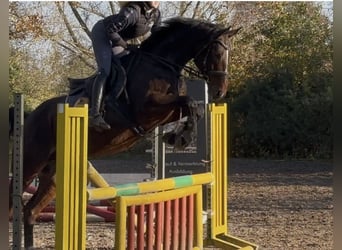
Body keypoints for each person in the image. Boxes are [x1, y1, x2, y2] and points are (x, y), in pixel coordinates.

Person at [89, 1, 161, 131]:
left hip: (119, 39)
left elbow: (157, 36)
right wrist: (126, 46)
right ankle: (94, 115)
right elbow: (110, 29)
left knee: (131, 65)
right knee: (105, 70)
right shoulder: (132, 11)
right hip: (103, 33)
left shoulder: (155, 14)